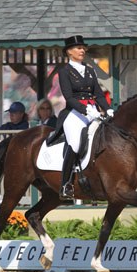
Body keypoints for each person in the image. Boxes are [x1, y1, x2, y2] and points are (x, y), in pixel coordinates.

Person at [57, 35, 114, 201]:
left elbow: (98, 94)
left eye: (83, 48)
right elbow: (69, 97)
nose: (82, 50)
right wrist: (86, 110)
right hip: (74, 114)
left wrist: (108, 109)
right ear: (69, 52)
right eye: (78, 48)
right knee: (75, 144)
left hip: (94, 111)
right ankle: (65, 184)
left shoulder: (89, 70)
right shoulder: (64, 71)